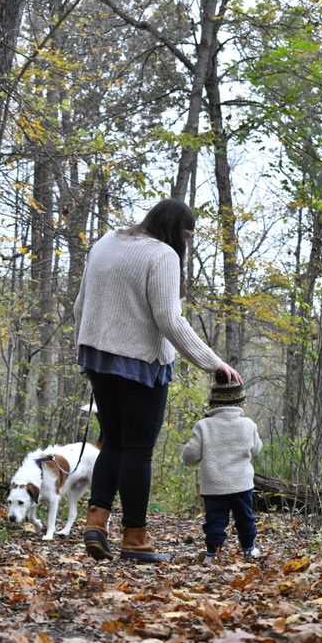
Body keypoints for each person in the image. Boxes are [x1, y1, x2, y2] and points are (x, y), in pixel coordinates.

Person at [73, 198, 242, 564]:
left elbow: (80, 305)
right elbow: (170, 318)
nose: (185, 244)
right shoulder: (161, 255)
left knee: (113, 442)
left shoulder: (105, 243)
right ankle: (135, 539)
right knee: (137, 450)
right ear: (175, 231)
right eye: (185, 236)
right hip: (140, 363)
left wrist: (82, 354)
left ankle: (96, 523)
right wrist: (213, 363)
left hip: (98, 356)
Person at [182, 372, 263, 561]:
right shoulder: (248, 425)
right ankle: (249, 548)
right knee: (245, 519)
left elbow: (190, 456)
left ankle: (213, 552)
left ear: (213, 401)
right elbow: (257, 449)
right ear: (240, 402)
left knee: (215, 520)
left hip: (214, 485)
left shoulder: (204, 426)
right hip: (241, 484)